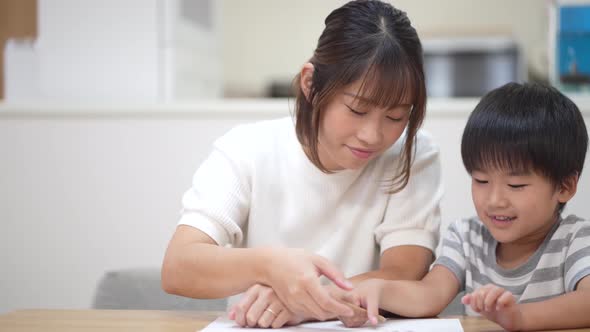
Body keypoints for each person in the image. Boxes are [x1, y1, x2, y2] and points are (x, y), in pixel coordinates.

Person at [161, 0, 443, 328]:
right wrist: (268, 265)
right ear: (310, 84)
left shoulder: (412, 154)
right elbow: (179, 266)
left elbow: (404, 272)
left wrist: (304, 301)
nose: (373, 135)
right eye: (357, 110)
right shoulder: (246, 149)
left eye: (396, 116)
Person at [339, 82, 590, 331]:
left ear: (565, 187)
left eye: (515, 185)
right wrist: (379, 289)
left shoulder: (575, 239)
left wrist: (520, 317)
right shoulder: (467, 237)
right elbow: (429, 294)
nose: (494, 200)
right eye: (481, 180)